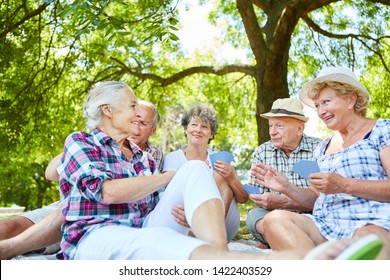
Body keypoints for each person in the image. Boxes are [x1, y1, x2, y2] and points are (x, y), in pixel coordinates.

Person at [0, 80, 384, 261]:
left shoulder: (147, 155)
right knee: (158, 243)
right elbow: (107, 192)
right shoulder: (82, 143)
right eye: (132, 107)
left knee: (198, 175)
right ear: (107, 112)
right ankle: (284, 263)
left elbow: (161, 197)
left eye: (143, 115)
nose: (139, 114)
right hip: (96, 232)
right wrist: (174, 180)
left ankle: (221, 253)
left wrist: (192, 186)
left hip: (147, 222)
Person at [0, 98, 164, 260]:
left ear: (152, 130)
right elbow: (50, 174)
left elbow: (145, 197)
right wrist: (77, 152)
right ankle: (11, 248)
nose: (136, 125)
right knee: (8, 227)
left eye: (143, 123)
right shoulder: (92, 142)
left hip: (112, 218)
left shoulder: (151, 157)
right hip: (67, 207)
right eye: (133, 118)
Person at [257, 66, 390, 259]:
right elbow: (316, 197)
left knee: (368, 241)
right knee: (274, 220)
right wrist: (286, 187)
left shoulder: (382, 130)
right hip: (325, 224)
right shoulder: (323, 147)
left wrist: (344, 185)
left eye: (326, 102)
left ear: (350, 99)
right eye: (318, 105)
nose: (321, 111)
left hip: (372, 221)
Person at [163, 104, 248, 241]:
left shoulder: (219, 158)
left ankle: (211, 233)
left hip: (222, 224)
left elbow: (243, 198)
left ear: (211, 133)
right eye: (194, 125)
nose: (198, 130)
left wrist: (231, 177)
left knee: (220, 173)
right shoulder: (173, 158)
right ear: (186, 129)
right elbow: (171, 194)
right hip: (186, 219)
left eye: (204, 127)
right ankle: (205, 236)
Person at [245, 98, 322, 248]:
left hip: (311, 215)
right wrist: (258, 196)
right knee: (254, 216)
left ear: (300, 128)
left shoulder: (319, 148)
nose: (272, 132)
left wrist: (282, 201)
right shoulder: (262, 151)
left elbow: (322, 199)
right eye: (271, 126)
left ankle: (280, 242)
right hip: (273, 213)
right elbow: (255, 190)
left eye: (279, 126)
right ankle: (294, 241)